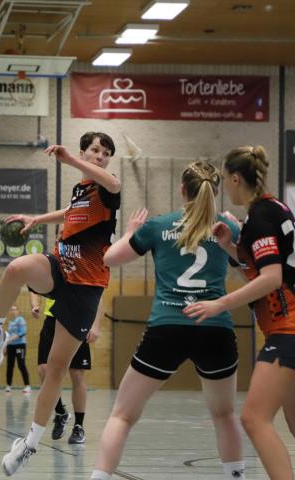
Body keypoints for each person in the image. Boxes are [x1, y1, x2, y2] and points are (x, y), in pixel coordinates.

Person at [91, 161, 246, 480]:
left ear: (182, 189)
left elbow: (109, 259)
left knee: (122, 415)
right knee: (225, 414)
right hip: (215, 328)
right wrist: (236, 231)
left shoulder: (158, 226)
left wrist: (131, 231)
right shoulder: (227, 228)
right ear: (216, 192)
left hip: (167, 327)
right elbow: (250, 272)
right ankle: (237, 476)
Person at [0, 131, 120, 476]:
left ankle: (28, 444)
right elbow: (70, 213)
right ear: (84, 151)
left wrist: (71, 160)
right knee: (16, 268)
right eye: (94, 150)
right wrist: (37, 219)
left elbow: (114, 184)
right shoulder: (81, 191)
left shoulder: (107, 188)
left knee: (57, 370)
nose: (100, 156)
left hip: (86, 288)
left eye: (105, 153)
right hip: (60, 267)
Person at [184, 146, 295, 480]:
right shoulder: (276, 208)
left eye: (224, 179)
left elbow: (271, 278)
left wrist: (219, 304)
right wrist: (232, 249)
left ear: (235, 179)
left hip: (288, 328)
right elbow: (267, 270)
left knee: (254, 418)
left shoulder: (259, 218)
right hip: (285, 326)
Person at [31, 293, 102, 444]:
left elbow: (98, 295)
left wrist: (96, 325)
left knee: (76, 374)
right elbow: (33, 287)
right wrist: (35, 304)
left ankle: (78, 426)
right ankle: (61, 413)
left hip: (78, 318)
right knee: (43, 369)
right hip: (52, 318)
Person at [4, 305, 31, 394]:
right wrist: (5, 347)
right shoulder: (10, 322)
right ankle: (8, 385)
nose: (13, 311)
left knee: (21, 364)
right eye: (11, 310)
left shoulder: (20, 320)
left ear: (18, 311)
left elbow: (22, 332)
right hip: (11, 346)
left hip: (20, 345)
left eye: (15, 309)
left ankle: (27, 386)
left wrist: (11, 339)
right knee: (10, 365)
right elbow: (9, 336)